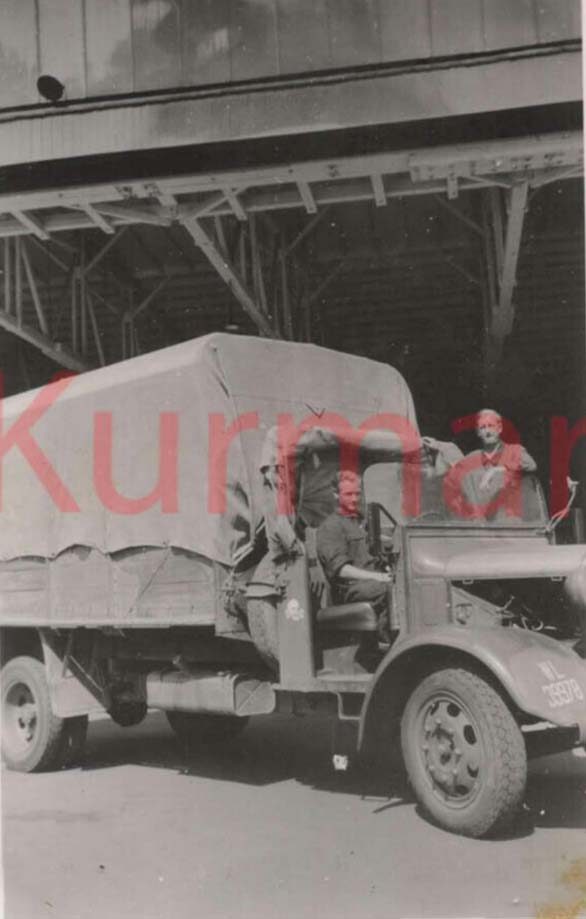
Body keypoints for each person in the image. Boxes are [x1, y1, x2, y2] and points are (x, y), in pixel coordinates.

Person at [316, 470, 391, 641]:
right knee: (392, 589)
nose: (355, 499)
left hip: (371, 582)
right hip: (351, 588)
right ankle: (386, 640)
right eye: (348, 494)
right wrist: (379, 577)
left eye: (357, 494)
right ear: (336, 495)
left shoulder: (361, 521)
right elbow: (342, 570)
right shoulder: (331, 527)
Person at [444, 409, 537, 520]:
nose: (487, 431)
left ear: (499, 428)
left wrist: (496, 470)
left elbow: (531, 464)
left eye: (491, 426)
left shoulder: (514, 451)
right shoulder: (471, 458)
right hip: (478, 525)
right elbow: (450, 481)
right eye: (483, 428)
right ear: (478, 433)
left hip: (509, 524)